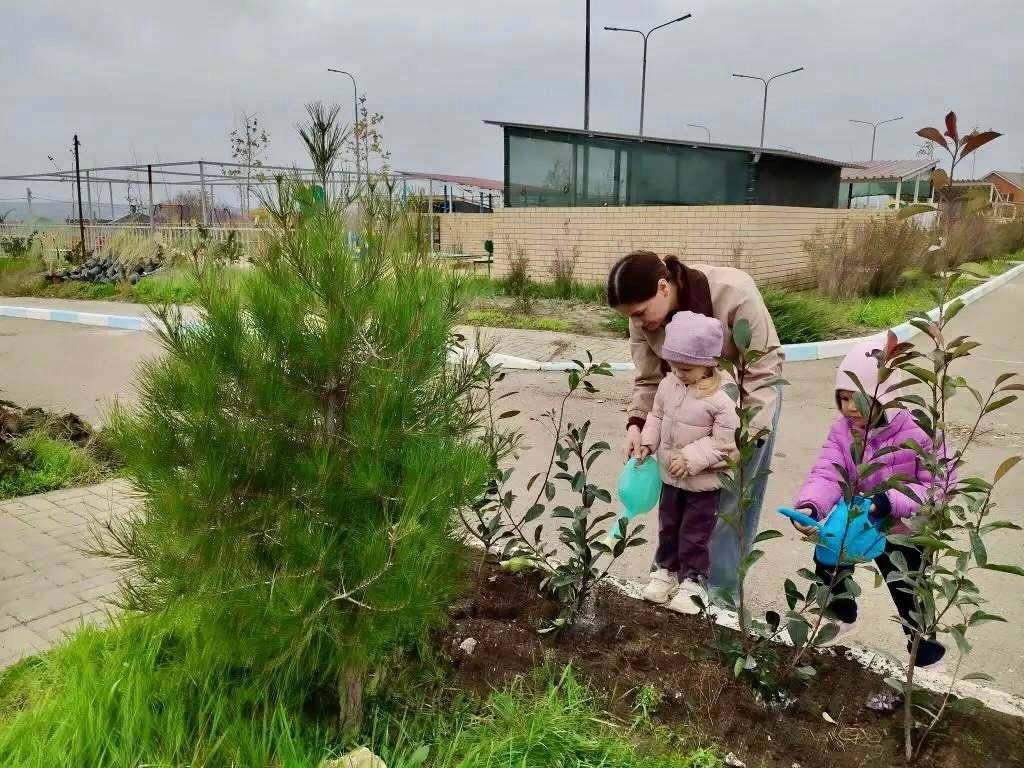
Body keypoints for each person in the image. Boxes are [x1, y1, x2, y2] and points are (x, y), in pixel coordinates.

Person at [607, 250, 783, 594]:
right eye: (631, 317)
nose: (639, 323)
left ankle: (718, 598)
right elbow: (647, 381)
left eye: (641, 313)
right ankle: (672, 574)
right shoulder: (642, 319)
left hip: (741, 408)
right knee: (676, 501)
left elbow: (763, 373)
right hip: (679, 412)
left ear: (662, 287)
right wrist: (637, 426)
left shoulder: (734, 293)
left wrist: (743, 439)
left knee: (729, 505)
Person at [791, 341, 947, 667]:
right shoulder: (843, 431)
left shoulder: (917, 431)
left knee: (907, 582)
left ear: (884, 395)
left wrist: (893, 501)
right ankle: (839, 614)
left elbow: (939, 484)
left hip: (900, 524)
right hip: (858, 516)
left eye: (858, 398)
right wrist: (811, 507)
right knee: (829, 554)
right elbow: (827, 472)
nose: (849, 408)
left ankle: (922, 642)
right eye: (843, 398)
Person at [636, 311, 739, 613]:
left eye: (686, 368)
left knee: (695, 534)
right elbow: (656, 416)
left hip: (702, 484)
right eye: (674, 366)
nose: (679, 373)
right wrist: (647, 441)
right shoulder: (669, 384)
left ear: (708, 364)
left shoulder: (722, 396)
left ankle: (693, 582)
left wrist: (692, 458)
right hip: (670, 477)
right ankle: (665, 572)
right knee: (668, 526)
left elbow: (725, 443)